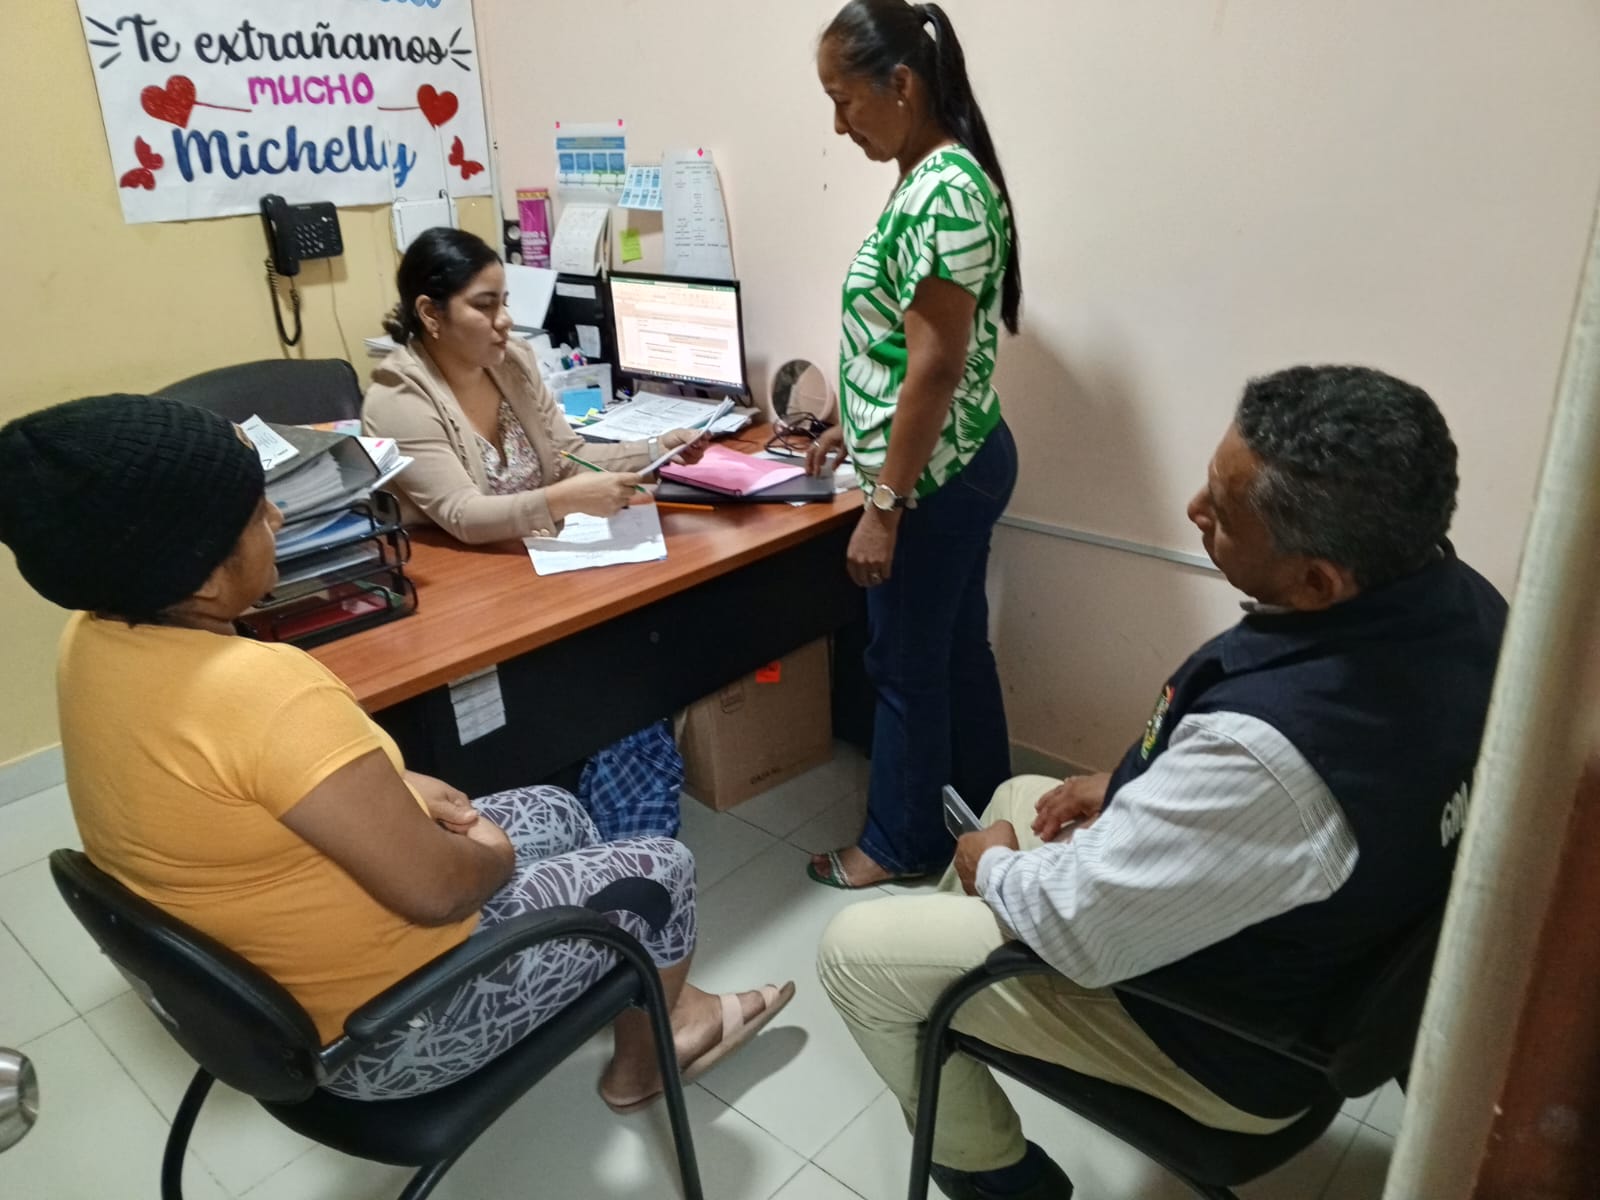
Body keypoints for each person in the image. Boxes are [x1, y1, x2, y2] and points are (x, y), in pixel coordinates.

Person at [817, 366, 1508, 1199]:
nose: (1193, 509)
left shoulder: (1271, 756)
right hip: (1326, 957)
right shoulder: (1470, 609)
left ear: (1317, 580)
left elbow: (1078, 926)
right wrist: (1122, 785)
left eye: (1225, 510)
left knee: (856, 953)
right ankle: (947, 1018)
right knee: (1017, 799)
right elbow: (1274, 809)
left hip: (1233, 1045)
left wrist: (990, 866)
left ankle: (1000, 1178)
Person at [0, 394, 792, 1108]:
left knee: (558, 807)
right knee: (658, 868)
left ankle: (644, 1001)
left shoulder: (93, 638)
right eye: (255, 511)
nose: (277, 517)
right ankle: (648, 1060)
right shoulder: (264, 690)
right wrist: (490, 850)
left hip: (271, 984)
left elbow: (245, 781)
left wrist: (394, 785)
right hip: (385, 1034)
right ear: (204, 577)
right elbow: (441, 892)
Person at [805, 0, 1023, 889]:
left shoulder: (944, 190)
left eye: (844, 100)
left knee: (902, 666)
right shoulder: (933, 176)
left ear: (901, 83)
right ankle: (983, 813)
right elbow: (901, 347)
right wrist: (849, 422)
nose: (839, 124)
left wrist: (884, 507)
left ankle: (899, 847)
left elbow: (936, 365)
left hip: (934, 479)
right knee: (955, 651)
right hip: (953, 460)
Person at [362, 227, 707, 544]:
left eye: (504, 302)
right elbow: (463, 514)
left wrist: (657, 450)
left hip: (530, 553)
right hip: (460, 571)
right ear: (430, 313)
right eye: (484, 305)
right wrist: (564, 499)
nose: (505, 320)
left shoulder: (512, 361)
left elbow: (568, 457)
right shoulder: (399, 398)